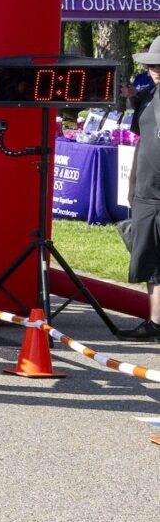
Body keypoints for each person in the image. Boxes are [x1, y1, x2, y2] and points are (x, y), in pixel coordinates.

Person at [110, 37, 160, 342]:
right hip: (146, 193)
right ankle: (155, 322)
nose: (156, 69)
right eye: (153, 64)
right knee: (149, 262)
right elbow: (141, 144)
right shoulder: (145, 98)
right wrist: (130, 185)